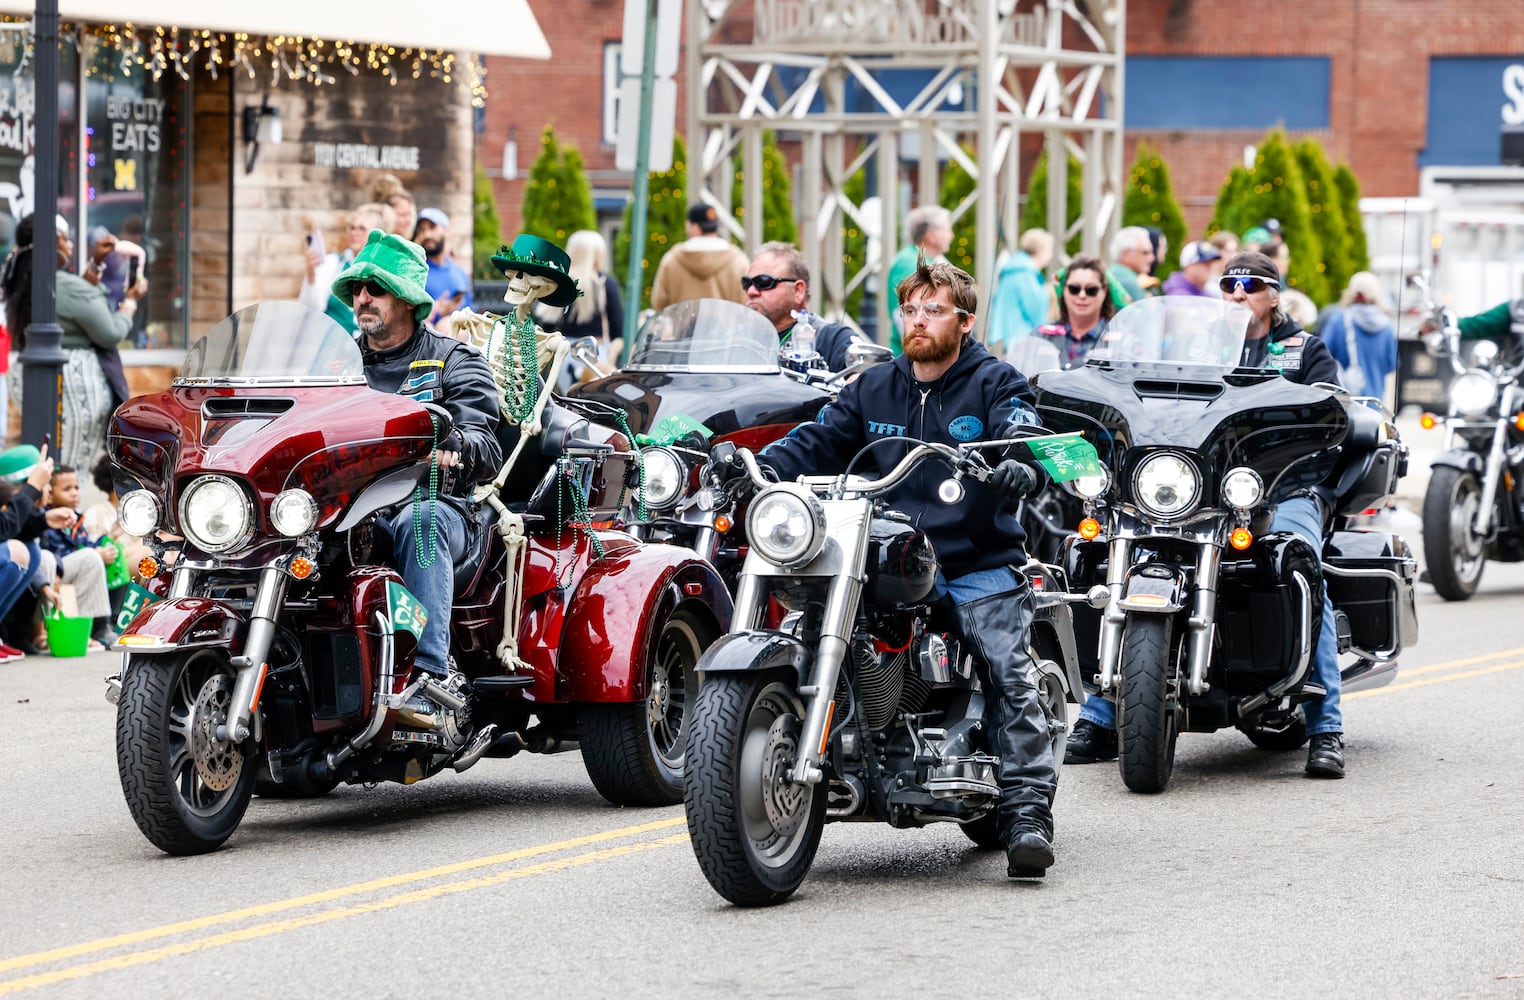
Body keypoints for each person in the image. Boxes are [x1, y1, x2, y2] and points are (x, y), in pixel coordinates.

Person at [752, 258, 1059, 878]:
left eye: (934, 310)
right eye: (910, 310)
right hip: (885, 551)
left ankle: (1029, 811)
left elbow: (1023, 432)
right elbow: (818, 438)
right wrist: (756, 464)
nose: (918, 322)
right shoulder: (874, 386)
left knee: (1006, 666)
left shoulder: (995, 382)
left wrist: (1020, 466)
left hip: (974, 557)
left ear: (964, 322)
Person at [1065, 251, 1347, 778]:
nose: (1239, 294)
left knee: (1305, 572)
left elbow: (1333, 413)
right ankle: (1101, 715)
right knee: (1121, 563)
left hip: (1281, 491)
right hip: (1197, 491)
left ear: (1273, 293)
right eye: (1230, 286)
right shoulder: (1200, 348)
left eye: (1252, 285)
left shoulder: (1305, 350)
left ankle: (1326, 727)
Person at [331, 231, 503, 724]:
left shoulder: (454, 360)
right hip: (349, 507)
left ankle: (430, 680)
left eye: (375, 288)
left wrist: (454, 446)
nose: (362, 297)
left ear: (406, 299)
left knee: (420, 524)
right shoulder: (333, 366)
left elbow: (485, 445)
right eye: (357, 287)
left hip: (438, 507)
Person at [0, 214, 142, 469]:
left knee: (46, 459)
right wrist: (130, 303)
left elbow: (73, 301)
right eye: (65, 239)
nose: (71, 245)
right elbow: (109, 333)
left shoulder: (26, 281)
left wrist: (96, 264)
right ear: (49, 244)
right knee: (69, 467)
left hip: (29, 378)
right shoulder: (61, 285)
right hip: (72, 384)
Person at [743, 242, 862, 372]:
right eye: (747, 283)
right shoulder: (736, 340)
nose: (751, 291)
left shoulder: (833, 339)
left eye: (763, 282)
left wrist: (856, 377)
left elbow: (867, 375)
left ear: (798, 291)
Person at [40, 464, 119, 650]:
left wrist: (101, 545)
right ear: (50, 495)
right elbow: (52, 552)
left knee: (102, 554)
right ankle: (99, 626)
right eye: (67, 489)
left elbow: (82, 547)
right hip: (52, 572)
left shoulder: (76, 519)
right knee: (91, 558)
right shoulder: (46, 519)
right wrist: (94, 552)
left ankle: (94, 628)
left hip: (67, 570)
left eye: (76, 488)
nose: (75, 493)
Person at [539, 229, 623, 387]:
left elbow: (545, 329)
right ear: (597, 255)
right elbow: (618, 331)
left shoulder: (559, 284)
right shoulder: (604, 284)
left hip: (564, 357)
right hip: (597, 356)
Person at [298, 202, 393, 331]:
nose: (355, 232)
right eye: (352, 228)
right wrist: (311, 275)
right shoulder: (332, 263)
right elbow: (311, 310)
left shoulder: (387, 267)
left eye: (362, 228)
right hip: (334, 344)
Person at [650, 203, 749, 310]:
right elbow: (745, 300)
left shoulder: (671, 259)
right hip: (726, 326)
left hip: (684, 326)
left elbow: (659, 302)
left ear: (694, 227)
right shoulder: (738, 260)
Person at [1320, 271, 1398, 401]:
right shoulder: (1387, 326)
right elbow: (1391, 364)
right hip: (1374, 401)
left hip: (1345, 401)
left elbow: (1323, 356)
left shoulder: (1338, 320)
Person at [886, 206, 954, 355]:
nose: (951, 236)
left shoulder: (918, 260)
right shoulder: (910, 263)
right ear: (930, 235)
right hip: (912, 357)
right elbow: (902, 314)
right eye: (947, 230)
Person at [1033, 255, 1117, 368]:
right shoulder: (1041, 335)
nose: (1082, 295)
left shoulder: (1121, 340)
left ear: (1104, 291)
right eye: (1074, 289)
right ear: (1063, 289)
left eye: (1091, 290)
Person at [987, 228, 1055, 354]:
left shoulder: (1014, 269)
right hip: (1021, 342)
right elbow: (1036, 312)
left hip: (1005, 338)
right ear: (1039, 251)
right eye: (1050, 250)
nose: (1051, 255)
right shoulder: (1025, 274)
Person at [414, 208, 474, 324]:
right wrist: (437, 313)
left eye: (432, 227)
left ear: (447, 231)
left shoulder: (460, 274)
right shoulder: (416, 272)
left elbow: (471, 314)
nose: (427, 234)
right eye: (421, 230)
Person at [1106, 227, 1154, 306]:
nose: (1152, 258)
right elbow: (1144, 317)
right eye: (1145, 252)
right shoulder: (1129, 282)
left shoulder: (1113, 273)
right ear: (1126, 254)